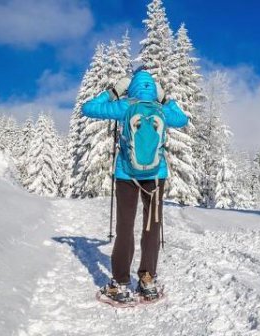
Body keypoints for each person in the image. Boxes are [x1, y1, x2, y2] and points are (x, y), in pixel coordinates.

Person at [82, 70, 188, 303]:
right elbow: (182, 119)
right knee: (152, 226)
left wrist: (113, 92)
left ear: (132, 86)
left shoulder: (125, 106)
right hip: (156, 176)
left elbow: (88, 108)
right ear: (153, 87)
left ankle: (120, 284)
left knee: (125, 226)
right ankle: (147, 280)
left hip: (126, 175)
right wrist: (166, 99)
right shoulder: (161, 110)